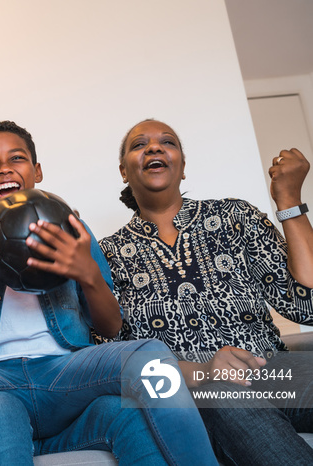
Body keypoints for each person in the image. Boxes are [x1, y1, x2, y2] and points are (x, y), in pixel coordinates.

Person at [0, 120, 219, 466]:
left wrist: (87, 273)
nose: (4, 168)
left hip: (65, 370)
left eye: (16, 158)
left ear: (37, 171)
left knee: (151, 357)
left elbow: (110, 327)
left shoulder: (72, 229)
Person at [99, 119, 313, 465]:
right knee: (224, 396)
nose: (154, 147)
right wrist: (201, 372)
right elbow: (109, 363)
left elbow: (308, 305)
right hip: (196, 394)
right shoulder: (106, 255)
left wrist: (288, 199)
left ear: (182, 166)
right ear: (124, 171)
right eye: (140, 145)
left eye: (167, 142)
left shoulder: (235, 216)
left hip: (275, 371)